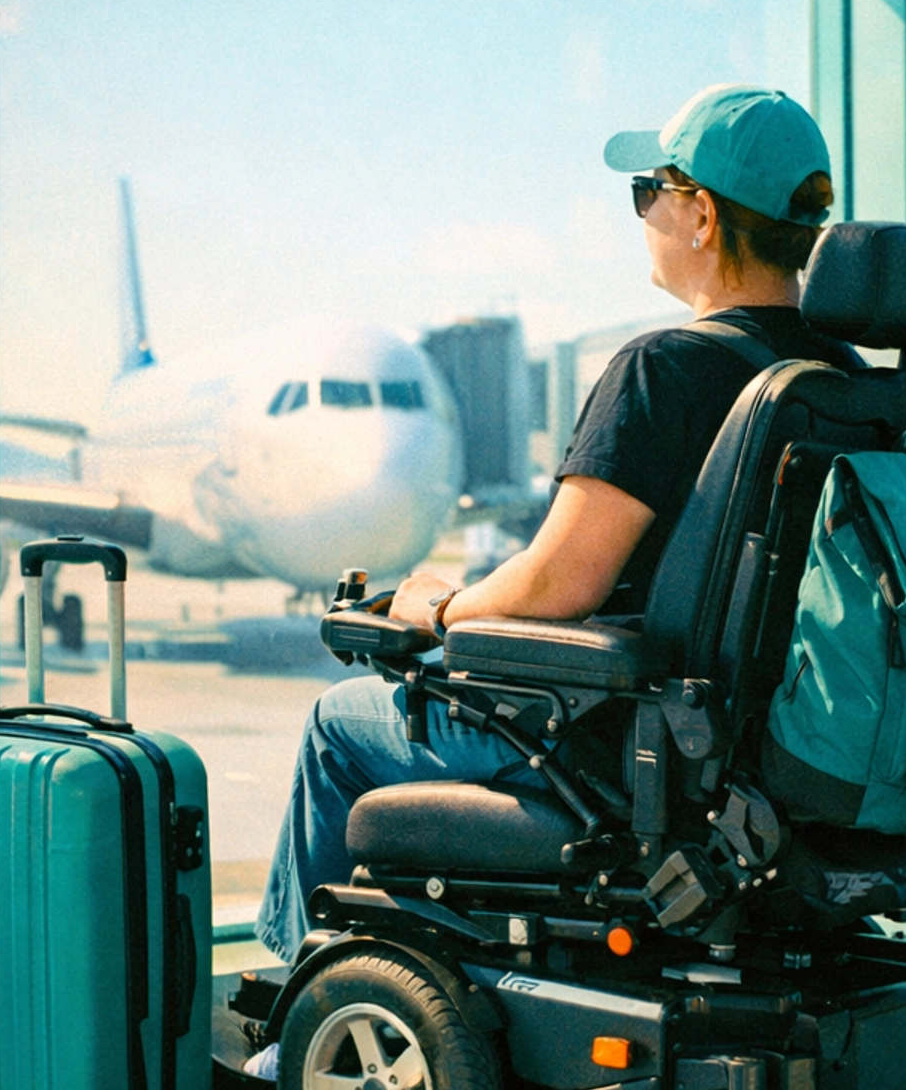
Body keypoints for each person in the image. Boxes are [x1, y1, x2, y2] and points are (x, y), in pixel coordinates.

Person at [254, 83, 863, 969]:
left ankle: (296, 993)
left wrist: (437, 607)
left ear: (699, 215)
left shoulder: (664, 369)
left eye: (648, 191)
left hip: (630, 746)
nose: (643, 213)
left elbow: (558, 583)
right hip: (784, 756)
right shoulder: (842, 382)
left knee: (338, 721)